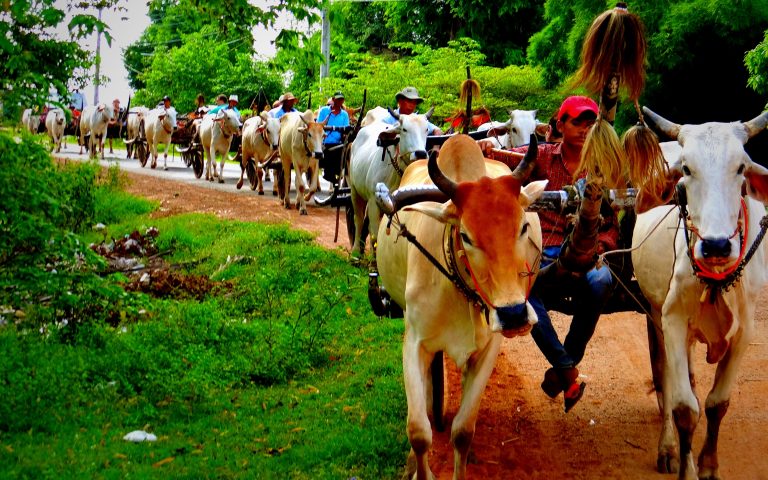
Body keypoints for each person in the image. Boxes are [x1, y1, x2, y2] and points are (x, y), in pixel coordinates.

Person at [481, 95, 618, 412]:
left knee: (601, 283)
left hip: (591, 250)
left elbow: (613, 220)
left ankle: (563, 368)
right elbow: (508, 160)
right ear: (559, 125)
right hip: (545, 251)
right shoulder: (540, 156)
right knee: (526, 292)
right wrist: (487, 149)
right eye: (577, 122)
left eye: (590, 123)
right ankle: (567, 370)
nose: (585, 129)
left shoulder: (606, 165)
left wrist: (601, 248)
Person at [316, 91, 351, 183]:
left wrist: (345, 135)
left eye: (341, 99)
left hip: (339, 143)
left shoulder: (344, 114)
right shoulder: (324, 111)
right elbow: (318, 126)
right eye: (338, 99)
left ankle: (338, 175)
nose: (339, 101)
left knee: (346, 153)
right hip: (325, 142)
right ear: (333, 99)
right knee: (328, 153)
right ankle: (329, 175)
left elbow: (346, 129)